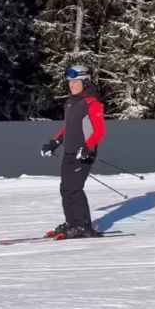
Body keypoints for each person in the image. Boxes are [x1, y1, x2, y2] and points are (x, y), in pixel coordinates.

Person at [40, 64, 106, 238]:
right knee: (65, 189)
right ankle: (72, 222)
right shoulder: (70, 103)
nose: (71, 85)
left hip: (84, 153)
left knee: (75, 188)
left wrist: (87, 148)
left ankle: (83, 226)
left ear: (85, 82)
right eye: (70, 81)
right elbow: (67, 128)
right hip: (69, 152)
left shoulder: (92, 103)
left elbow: (99, 131)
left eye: (75, 81)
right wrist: (54, 143)